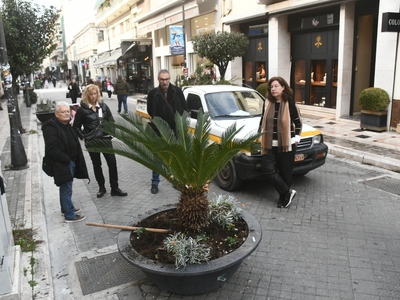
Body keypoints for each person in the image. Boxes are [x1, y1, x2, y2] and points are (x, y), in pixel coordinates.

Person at [73, 84, 127, 198]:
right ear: (86, 96)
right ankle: (101, 188)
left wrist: (111, 132)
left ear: (98, 94)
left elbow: (111, 121)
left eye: (95, 94)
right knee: (97, 165)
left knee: (112, 163)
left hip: (105, 139)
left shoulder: (103, 106)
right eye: (91, 94)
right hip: (92, 141)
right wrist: (84, 136)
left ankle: (115, 188)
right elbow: (76, 127)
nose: (93, 96)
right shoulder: (82, 110)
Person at [42, 101, 89, 222]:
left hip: (69, 161)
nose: (66, 113)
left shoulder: (67, 124)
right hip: (62, 163)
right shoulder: (51, 127)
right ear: (56, 114)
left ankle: (66, 208)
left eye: (68, 111)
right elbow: (51, 149)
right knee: (66, 188)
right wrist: (67, 159)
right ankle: (69, 214)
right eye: (63, 112)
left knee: (66, 187)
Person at [260, 76, 302, 208]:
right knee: (268, 170)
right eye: (271, 87)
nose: (273, 89)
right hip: (269, 145)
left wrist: (296, 139)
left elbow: (298, 123)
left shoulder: (290, 103)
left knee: (285, 172)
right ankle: (287, 192)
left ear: (283, 87)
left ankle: (283, 198)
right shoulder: (267, 102)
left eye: (276, 86)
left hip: (287, 145)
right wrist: (258, 136)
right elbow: (262, 120)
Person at [146, 69, 187, 194]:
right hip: (158, 131)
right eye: (162, 79)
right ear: (158, 80)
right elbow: (150, 110)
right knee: (157, 157)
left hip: (175, 130)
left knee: (175, 158)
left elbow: (183, 108)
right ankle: (155, 183)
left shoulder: (177, 92)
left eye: (167, 79)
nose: (165, 82)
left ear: (170, 79)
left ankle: (176, 181)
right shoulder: (153, 94)